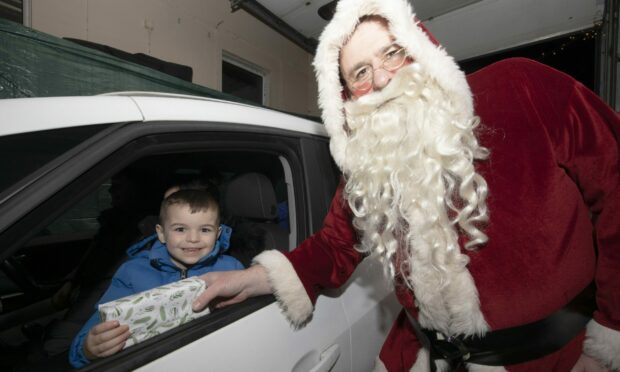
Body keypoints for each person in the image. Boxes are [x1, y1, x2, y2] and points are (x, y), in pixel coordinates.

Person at [192, 0, 620, 370]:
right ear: (347, 96)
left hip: (561, 357)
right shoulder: (370, 165)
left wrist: (609, 339)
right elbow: (334, 247)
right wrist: (254, 278)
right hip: (427, 355)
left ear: (421, 48)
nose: (381, 80)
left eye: (391, 53)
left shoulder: (522, 88)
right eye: (360, 73)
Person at [69, 189, 244, 368]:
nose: (193, 238)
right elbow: (99, 323)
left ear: (218, 233)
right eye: (180, 229)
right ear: (161, 233)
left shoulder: (231, 268)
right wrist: (88, 349)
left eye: (205, 229)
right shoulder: (133, 271)